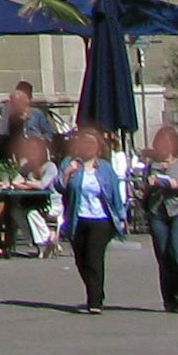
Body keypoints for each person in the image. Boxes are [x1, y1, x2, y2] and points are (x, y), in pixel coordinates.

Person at [52, 123, 127, 314]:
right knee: (81, 260)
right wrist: (68, 172)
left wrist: (122, 216)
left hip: (101, 219)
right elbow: (59, 187)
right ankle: (95, 291)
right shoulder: (71, 163)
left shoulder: (105, 168)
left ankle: (94, 301)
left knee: (94, 258)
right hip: (78, 218)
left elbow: (115, 194)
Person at [140, 122, 178, 314]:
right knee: (164, 256)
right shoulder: (152, 166)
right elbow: (143, 192)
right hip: (158, 212)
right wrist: (150, 185)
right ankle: (169, 298)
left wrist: (176, 185)